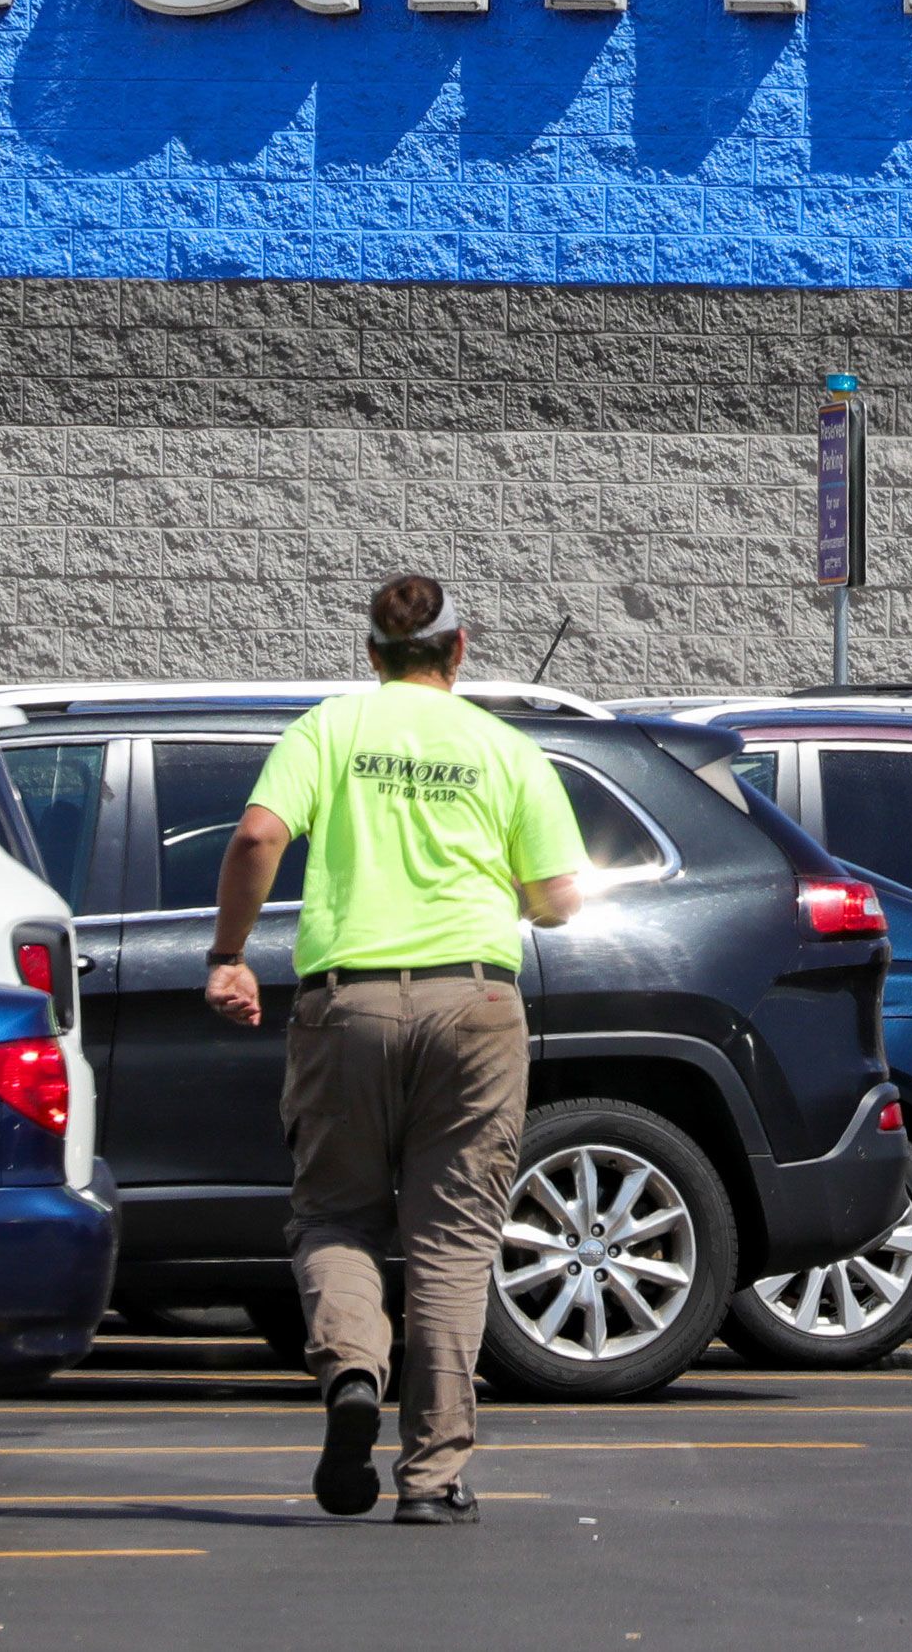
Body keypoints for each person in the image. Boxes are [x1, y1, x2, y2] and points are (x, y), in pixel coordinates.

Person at [202, 574, 585, 1525]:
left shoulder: (329, 729)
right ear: (459, 651)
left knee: (336, 1215)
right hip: (475, 1002)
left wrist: (228, 954)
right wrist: (514, 891)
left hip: (348, 1002)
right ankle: (433, 1475)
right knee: (452, 1244)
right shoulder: (507, 749)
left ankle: (352, 1378)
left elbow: (256, 836)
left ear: (371, 655)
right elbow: (559, 899)